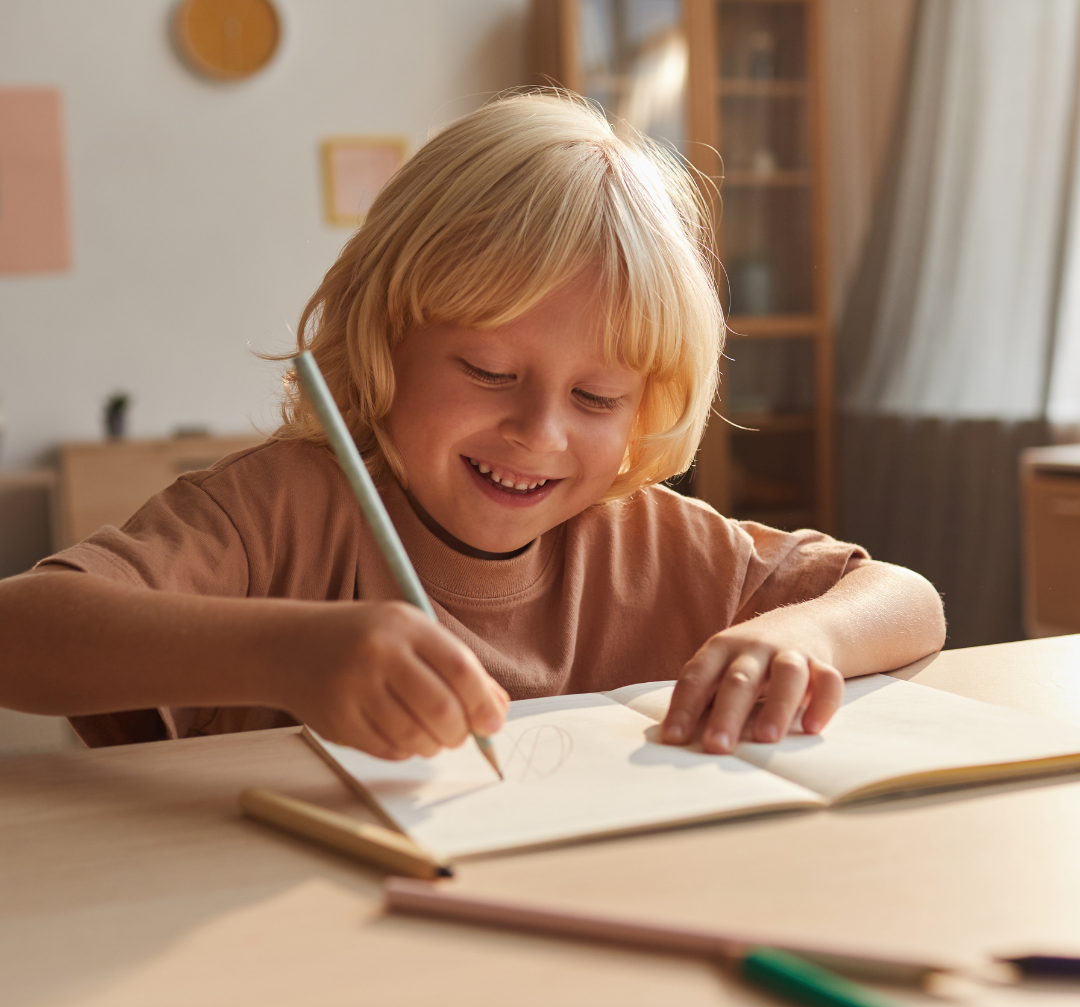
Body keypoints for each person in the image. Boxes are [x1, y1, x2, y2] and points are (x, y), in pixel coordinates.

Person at [0, 92, 945, 759]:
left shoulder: (649, 543)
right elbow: (20, 632)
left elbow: (904, 599)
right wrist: (283, 654)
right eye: (490, 371)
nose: (539, 432)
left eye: (596, 399)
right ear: (386, 340)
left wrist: (807, 639)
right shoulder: (277, 515)